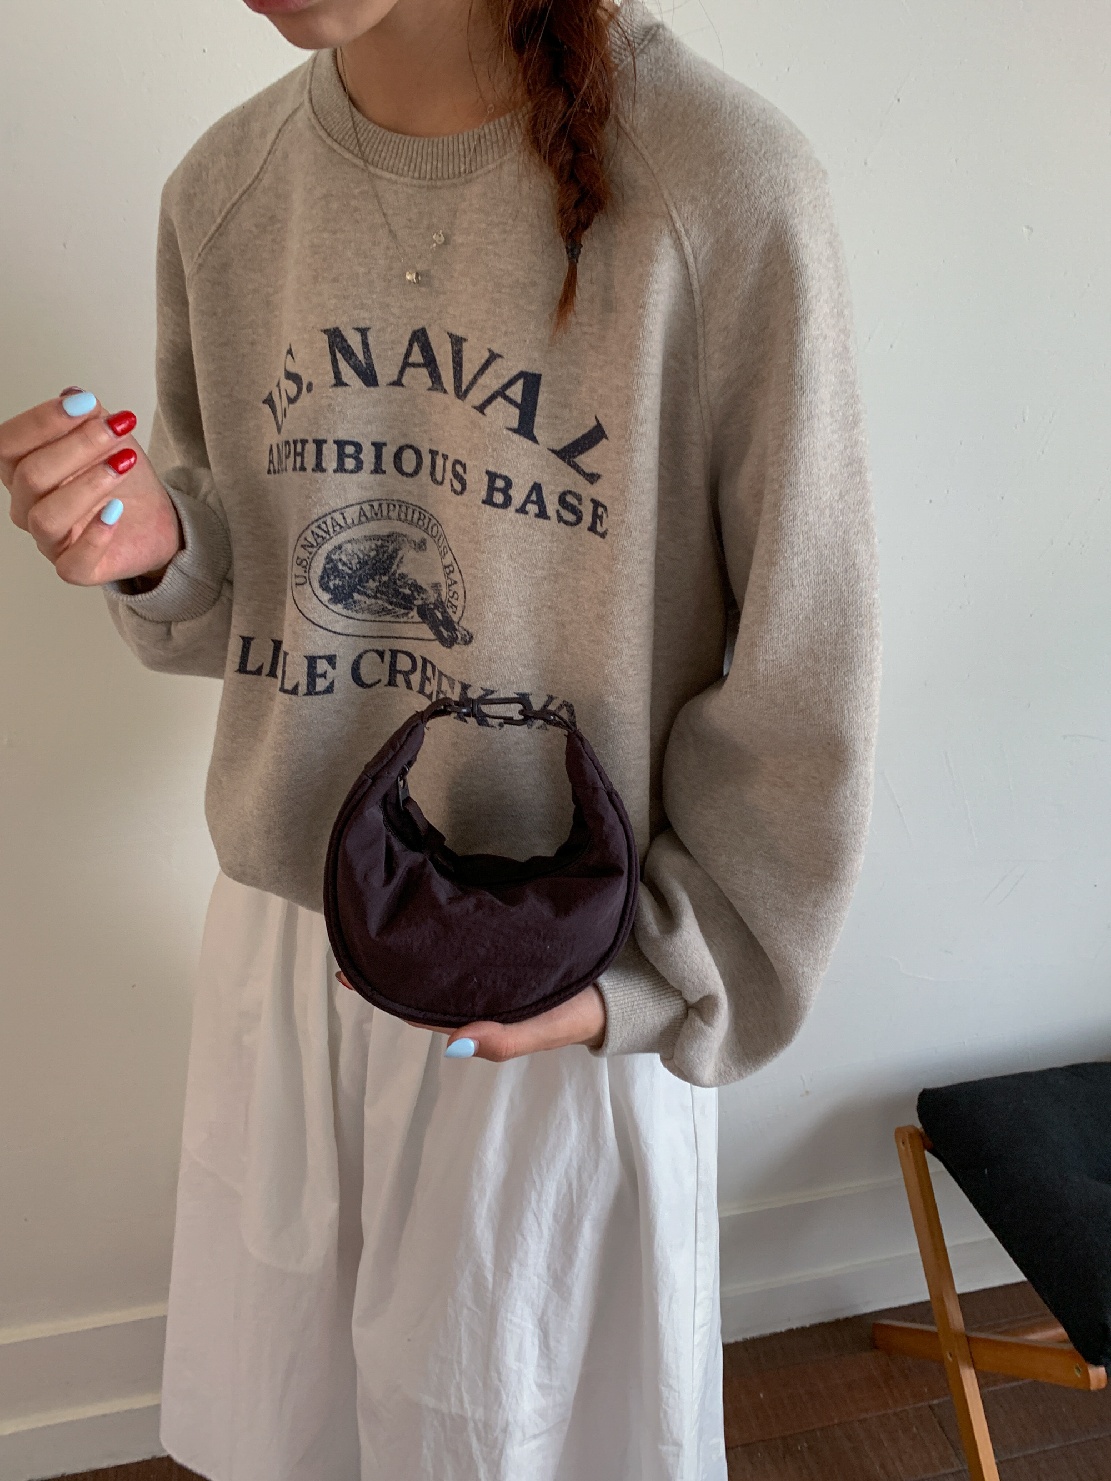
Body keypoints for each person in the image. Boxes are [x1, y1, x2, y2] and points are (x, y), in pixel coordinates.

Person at [0, 0, 881, 1476]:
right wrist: (155, 548)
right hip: (290, 942)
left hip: (550, 975)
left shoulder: (722, 186)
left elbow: (807, 662)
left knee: (514, 1445)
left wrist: (661, 977)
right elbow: (248, 596)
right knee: (295, 1438)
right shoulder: (227, 190)